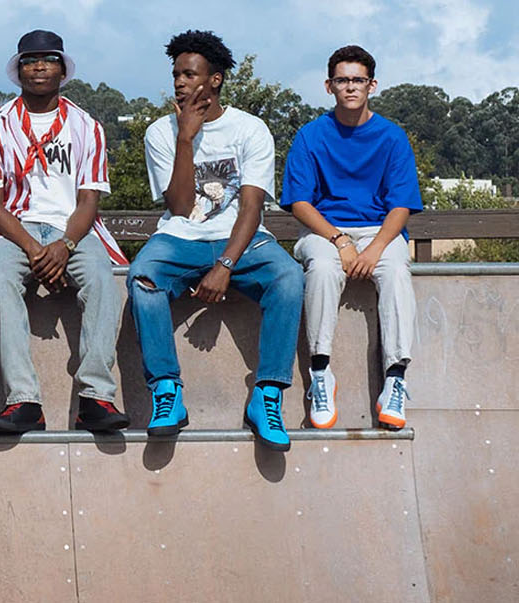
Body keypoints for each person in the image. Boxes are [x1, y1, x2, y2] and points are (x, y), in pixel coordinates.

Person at [130, 30, 304, 451]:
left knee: (289, 278)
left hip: (242, 241)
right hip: (180, 238)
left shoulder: (251, 129)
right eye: (176, 74)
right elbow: (179, 205)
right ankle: (167, 392)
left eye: (189, 74)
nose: (180, 82)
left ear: (216, 79)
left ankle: (267, 396)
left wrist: (224, 265)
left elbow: (250, 209)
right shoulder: (160, 132)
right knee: (142, 278)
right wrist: (185, 138)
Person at [0, 30, 130, 434]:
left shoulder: (85, 126)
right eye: (29, 60)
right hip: (14, 229)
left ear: (62, 70)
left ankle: (96, 396)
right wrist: (33, 248)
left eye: (48, 60)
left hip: (73, 227)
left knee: (101, 279)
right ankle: (23, 400)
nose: (38, 66)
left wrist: (65, 244)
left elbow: (89, 200)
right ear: (18, 70)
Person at [283, 45, 421, 430]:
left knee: (395, 271)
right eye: (342, 80)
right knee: (323, 271)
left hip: (380, 231)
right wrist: (341, 240)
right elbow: (299, 202)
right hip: (324, 230)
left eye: (357, 80)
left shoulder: (391, 137)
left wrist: (375, 248)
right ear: (329, 86)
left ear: (372, 85)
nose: (350, 87)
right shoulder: (311, 136)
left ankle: (395, 379)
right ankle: (321, 374)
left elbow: (401, 206)